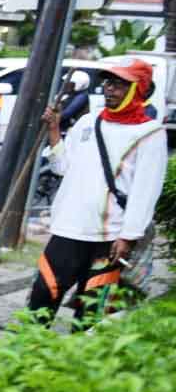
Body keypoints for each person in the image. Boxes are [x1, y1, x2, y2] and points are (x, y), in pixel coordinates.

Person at [28, 58, 167, 324]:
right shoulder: (88, 123)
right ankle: (26, 352)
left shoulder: (150, 134)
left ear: (138, 90)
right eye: (108, 83)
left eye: (119, 84)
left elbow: (146, 191)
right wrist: (55, 130)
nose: (109, 89)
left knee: (92, 311)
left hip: (109, 236)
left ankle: (78, 361)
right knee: (42, 298)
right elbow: (62, 169)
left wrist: (129, 236)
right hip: (68, 228)